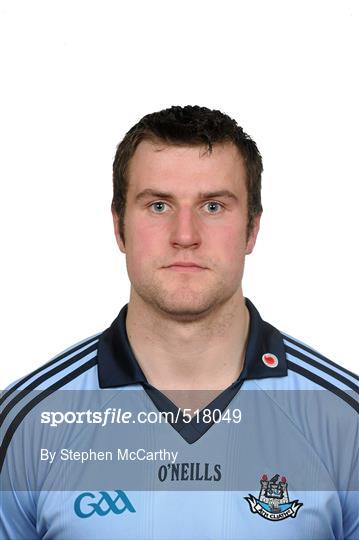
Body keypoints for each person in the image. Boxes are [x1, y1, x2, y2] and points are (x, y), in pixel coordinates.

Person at [1, 105, 358, 540]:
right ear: (119, 227)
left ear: (252, 230)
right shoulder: (26, 423)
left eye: (212, 205)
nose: (185, 234)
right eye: (158, 205)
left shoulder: (344, 420)